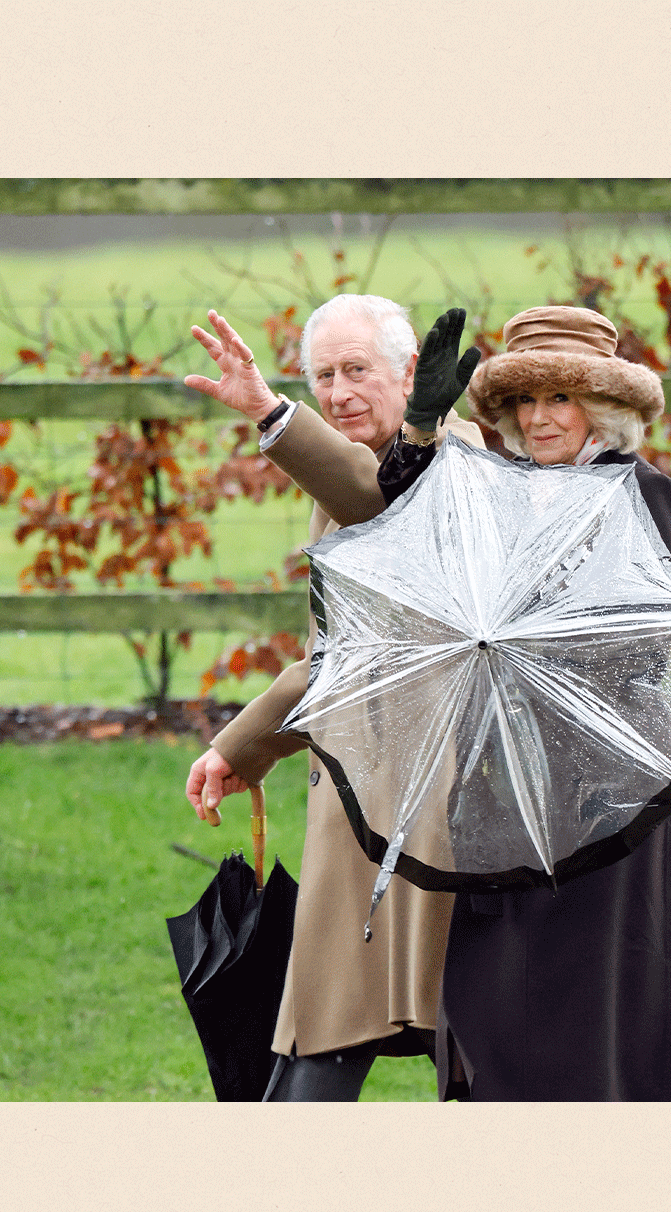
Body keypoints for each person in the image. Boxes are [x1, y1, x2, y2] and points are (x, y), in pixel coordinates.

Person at [381, 305, 671, 1101]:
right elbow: (401, 519)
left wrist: (512, 629)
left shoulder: (642, 494)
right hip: (498, 777)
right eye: (523, 402)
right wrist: (422, 423)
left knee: (590, 999)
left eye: (560, 401)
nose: (538, 419)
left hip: (603, 787)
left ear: (600, 411)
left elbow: (636, 638)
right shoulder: (491, 486)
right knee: (494, 996)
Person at [180, 297, 485, 1101]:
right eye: (323, 377)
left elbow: (382, 504)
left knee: (469, 1039)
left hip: (438, 800)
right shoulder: (353, 464)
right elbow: (340, 660)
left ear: (411, 371)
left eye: (358, 370)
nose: (340, 392)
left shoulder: (462, 459)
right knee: (323, 1032)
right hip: (363, 802)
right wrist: (239, 748)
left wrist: (271, 413)